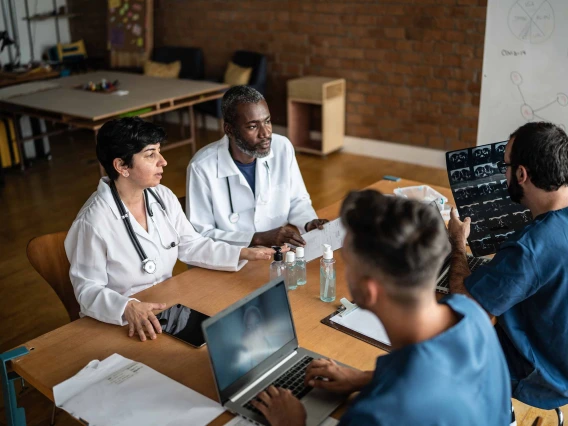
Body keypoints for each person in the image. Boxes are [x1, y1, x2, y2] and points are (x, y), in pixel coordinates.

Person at [252, 191, 511, 425]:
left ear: (369, 289)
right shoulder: (470, 313)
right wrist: (360, 379)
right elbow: (434, 373)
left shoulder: (377, 414)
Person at [64, 118, 273, 341]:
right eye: (150, 154)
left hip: (168, 309)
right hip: (122, 323)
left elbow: (191, 245)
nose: (163, 161)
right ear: (122, 166)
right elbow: (87, 290)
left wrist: (241, 252)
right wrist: (126, 307)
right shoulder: (93, 221)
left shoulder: (161, 196)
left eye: (159, 152)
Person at [448, 122, 568, 410]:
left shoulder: (531, 248)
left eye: (505, 167)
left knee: (442, 335)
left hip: (545, 375)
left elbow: (466, 303)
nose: (504, 174)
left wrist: (457, 245)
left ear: (522, 174)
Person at [186, 85, 328, 248]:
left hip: (276, 252)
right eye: (253, 126)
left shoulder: (282, 147)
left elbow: (297, 199)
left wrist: (308, 223)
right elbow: (201, 234)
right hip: (232, 258)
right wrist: (257, 238)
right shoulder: (202, 167)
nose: (265, 133)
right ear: (229, 129)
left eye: (267, 121)